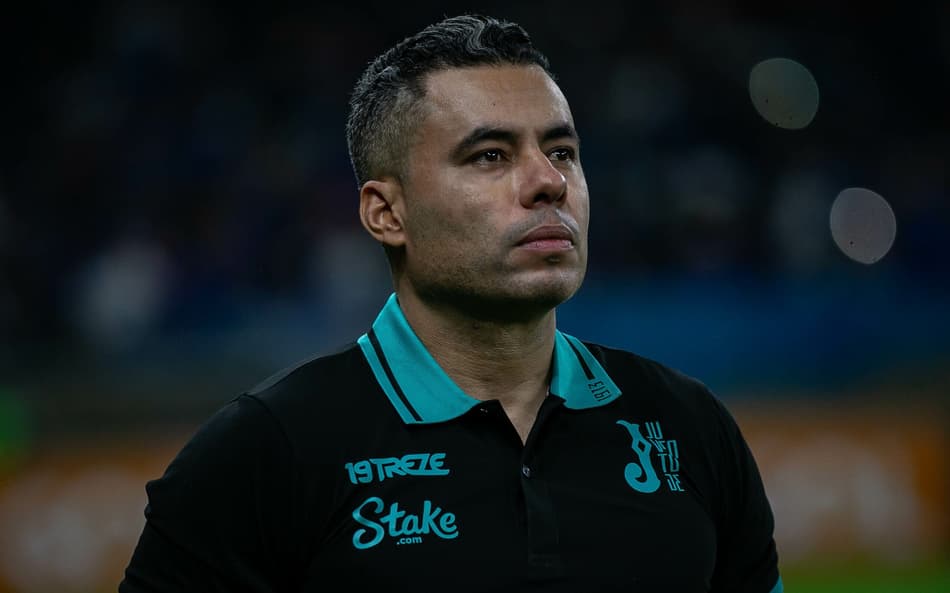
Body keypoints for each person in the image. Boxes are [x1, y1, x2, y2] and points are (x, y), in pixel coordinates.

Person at [119, 13, 782, 593]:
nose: (549, 181)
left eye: (562, 151)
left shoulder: (689, 427)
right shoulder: (264, 452)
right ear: (387, 213)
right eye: (490, 155)